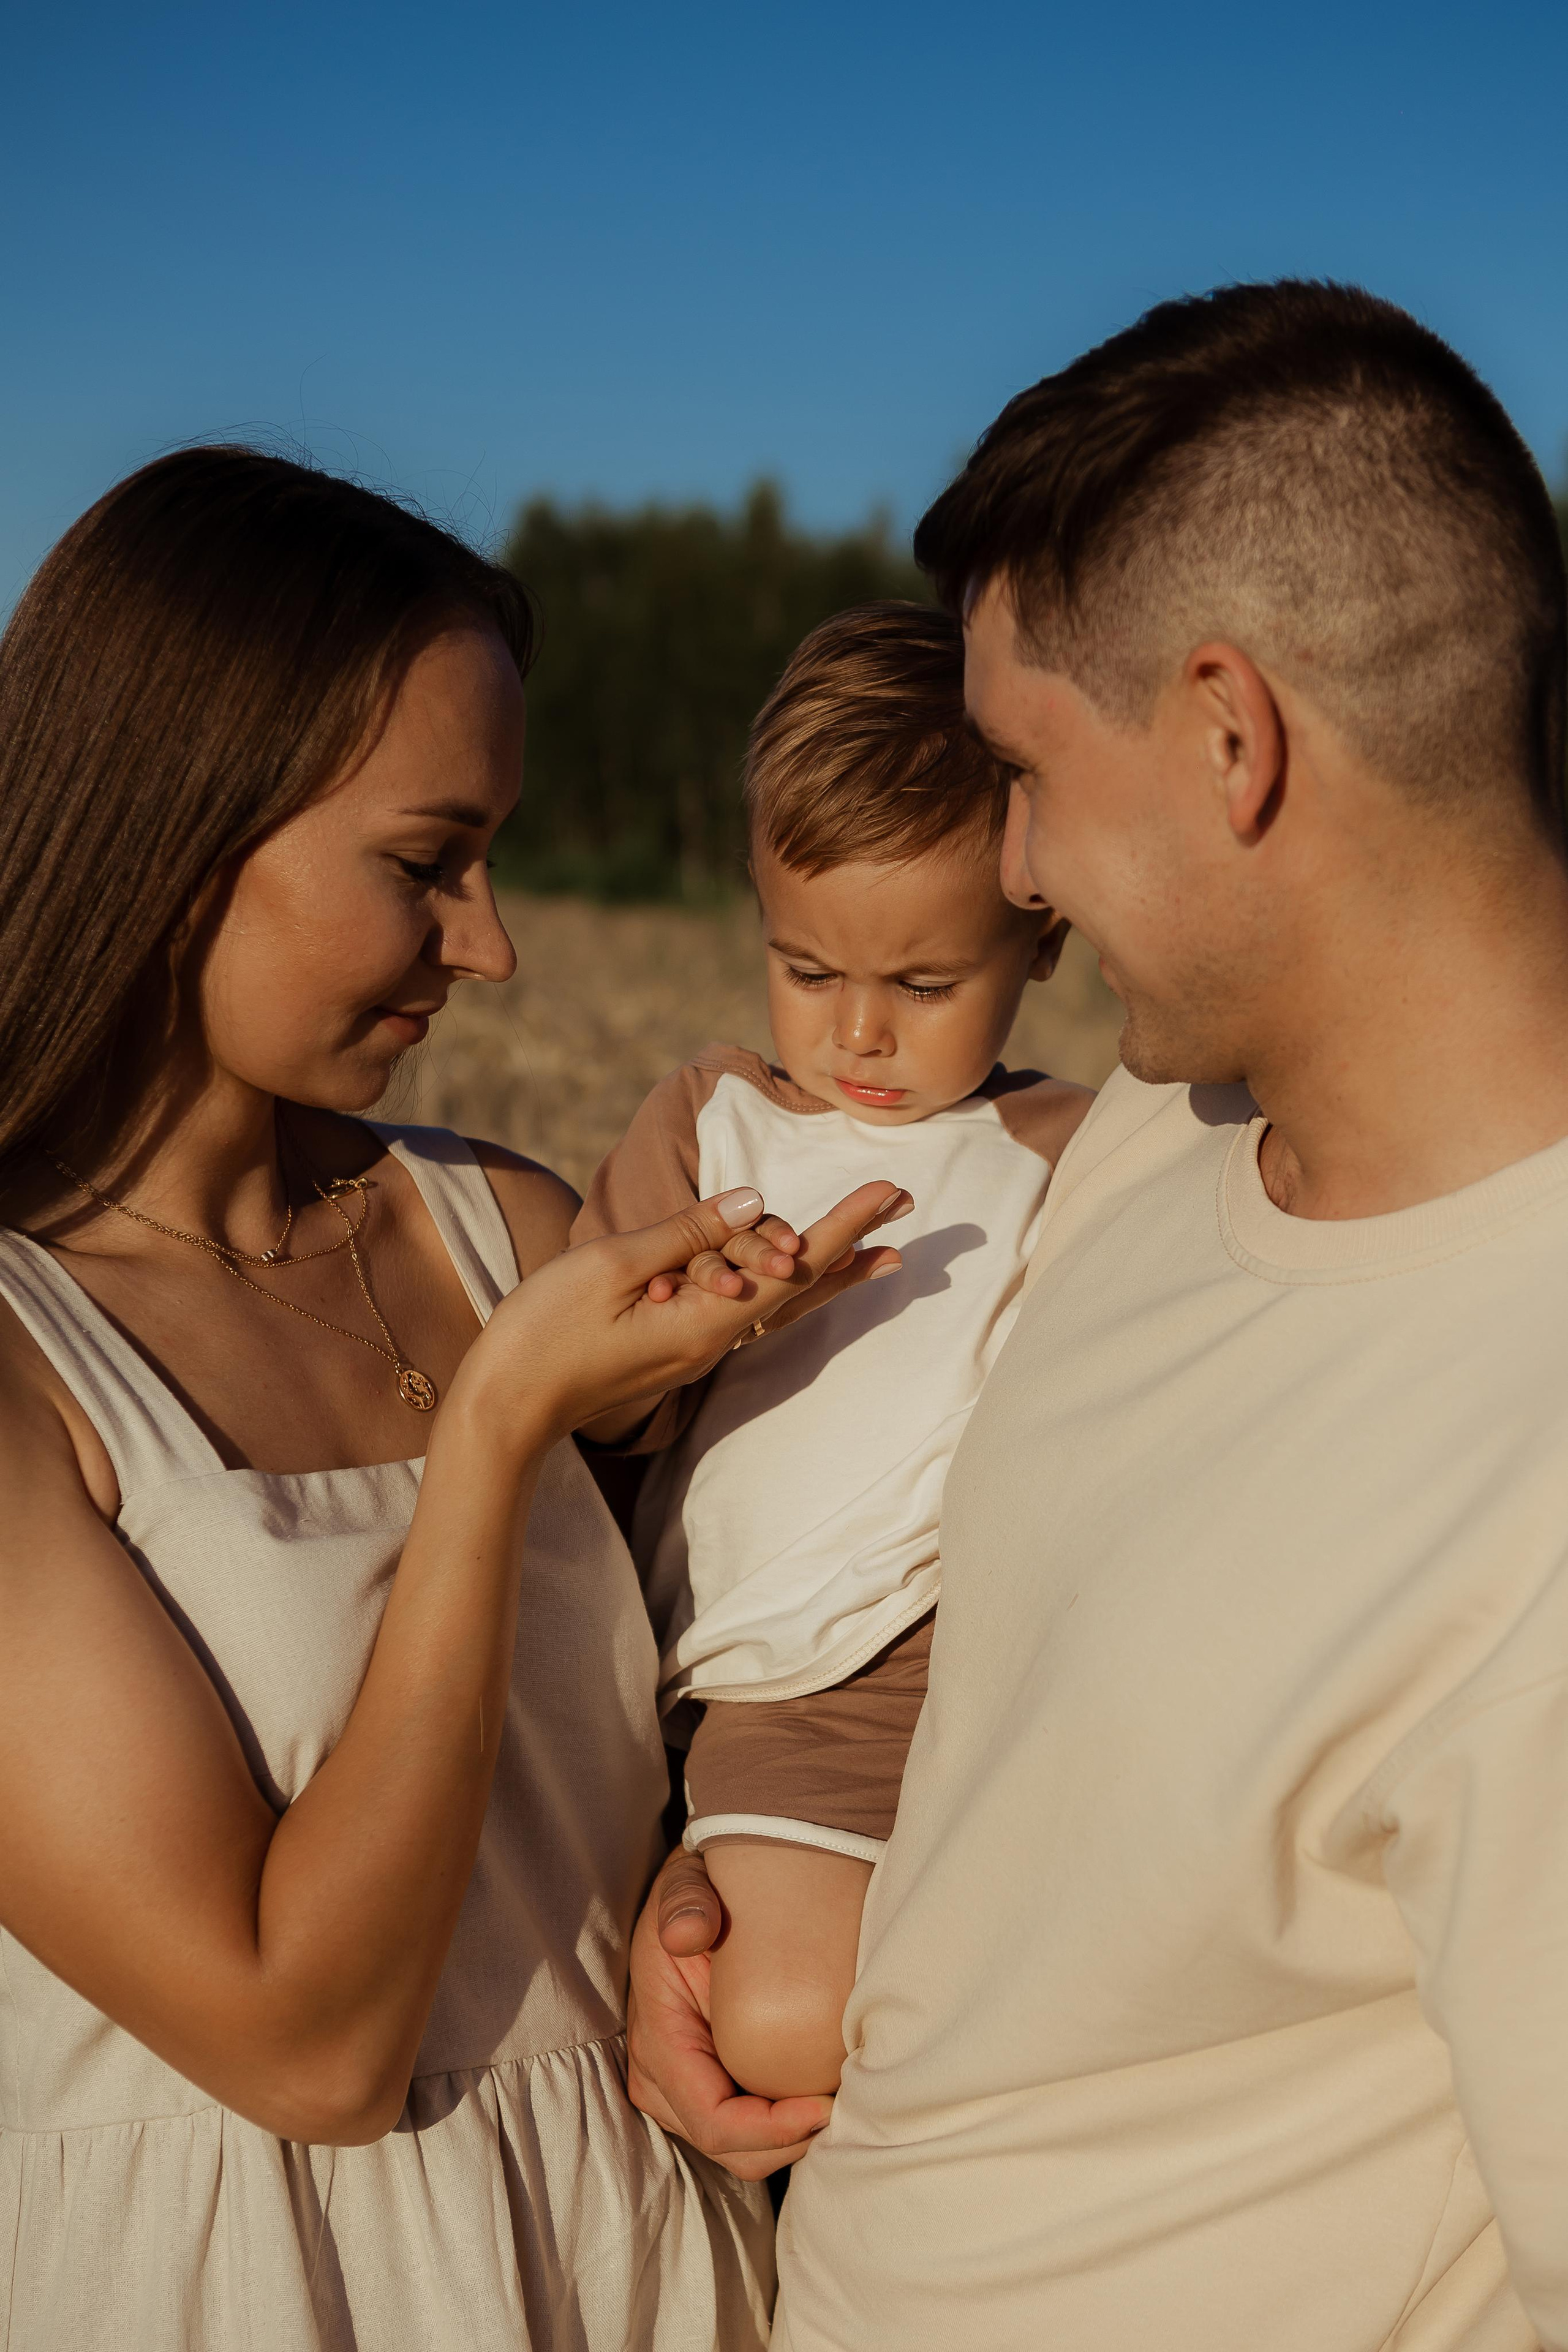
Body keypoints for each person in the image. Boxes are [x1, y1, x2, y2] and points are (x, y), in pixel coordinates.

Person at [626, 281, 1568, 2350]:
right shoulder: (1155, 1133)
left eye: (1030, 773)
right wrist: (707, 1893)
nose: (1021, 874)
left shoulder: (1541, 1475)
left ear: (1233, 740)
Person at [0, 447, 909, 2351]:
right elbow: (305, 2040)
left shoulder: (502, 1224)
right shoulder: (23, 1362)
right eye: (425, 865)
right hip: (257, 2286)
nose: (490, 945)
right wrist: (490, 1437)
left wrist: (697, 1904)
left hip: (642, 2252)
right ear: (179, 829)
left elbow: (735, 1673)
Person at [572, 603, 1088, 2098]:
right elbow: (579, 1418)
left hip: (979, 1646)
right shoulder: (709, 1125)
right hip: (791, 1674)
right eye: (806, 971)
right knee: (790, 2023)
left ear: (1039, 927)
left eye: (921, 987)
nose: (857, 1034)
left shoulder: (1068, 1148)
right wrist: (676, 1334)